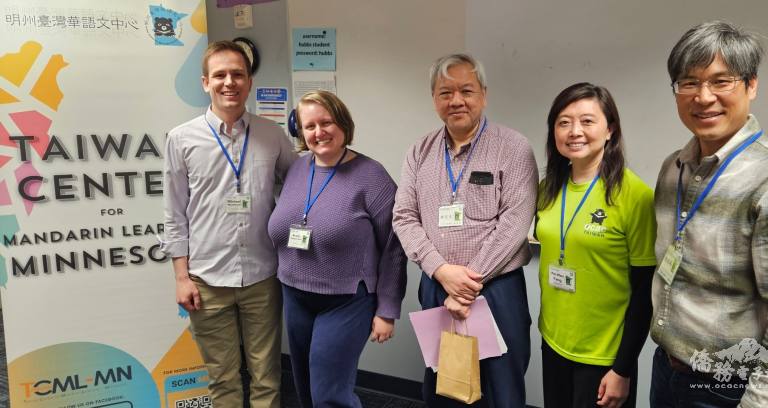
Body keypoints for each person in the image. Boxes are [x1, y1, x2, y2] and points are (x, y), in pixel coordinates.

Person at [650, 21, 768, 407]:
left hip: (729, 387)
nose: (703, 97)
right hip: (667, 368)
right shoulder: (674, 168)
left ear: (751, 85)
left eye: (721, 81)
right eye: (689, 82)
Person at [393, 53, 538, 407]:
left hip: (497, 290)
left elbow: (515, 223)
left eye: (466, 90)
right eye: (445, 93)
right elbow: (403, 217)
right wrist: (442, 272)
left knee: (502, 391)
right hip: (435, 285)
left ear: (483, 95)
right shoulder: (419, 152)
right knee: (447, 385)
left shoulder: (513, 148)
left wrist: (466, 285)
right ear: (434, 99)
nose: (456, 100)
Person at [161, 40, 297, 407]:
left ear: (249, 82)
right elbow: (173, 213)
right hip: (206, 280)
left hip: (263, 276)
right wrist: (181, 277)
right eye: (219, 75)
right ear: (205, 83)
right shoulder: (181, 138)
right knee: (222, 380)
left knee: (267, 376)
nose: (229, 82)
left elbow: (301, 183)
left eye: (238, 74)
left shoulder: (272, 135)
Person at [267, 90, 407, 408]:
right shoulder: (298, 170)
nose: (319, 132)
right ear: (300, 132)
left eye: (326, 122)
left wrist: (387, 310)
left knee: (330, 396)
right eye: (309, 126)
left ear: (342, 123)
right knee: (304, 389)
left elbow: (394, 247)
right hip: (295, 294)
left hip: (346, 300)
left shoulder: (372, 176)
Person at [535, 83, 656, 408]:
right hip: (554, 340)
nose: (574, 131)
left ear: (610, 130)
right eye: (563, 122)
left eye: (587, 121)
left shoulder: (634, 196)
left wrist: (623, 368)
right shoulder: (547, 189)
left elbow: (645, 291)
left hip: (604, 356)